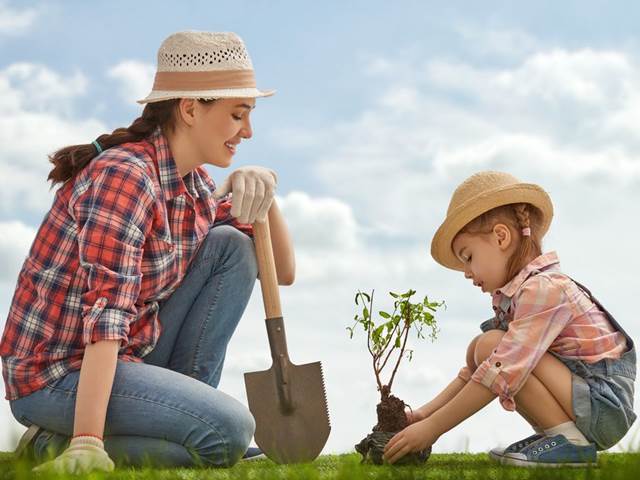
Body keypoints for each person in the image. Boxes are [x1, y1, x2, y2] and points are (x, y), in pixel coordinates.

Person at [0, 31, 295, 474]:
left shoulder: (192, 186)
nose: (247, 132)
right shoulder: (125, 176)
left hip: (125, 358)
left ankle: (188, 424)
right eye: (238, 115)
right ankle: (57, 444)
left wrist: (265, 193)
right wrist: (88, 443)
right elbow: (107, 313)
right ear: (191, 108)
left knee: (232, 247)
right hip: (57, 375)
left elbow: (283, 273)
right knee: (231, 432)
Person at [383, 171, 636, 467]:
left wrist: (433, 429)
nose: (466, 272)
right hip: (584, 399)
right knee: (482, 347)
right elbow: (475, 371)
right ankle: (558, 435)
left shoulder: (544, 289)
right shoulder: (520, 296)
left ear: (501, 237)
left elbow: (500, 370)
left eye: (468, 257)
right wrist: (425, 415)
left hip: (603, 407)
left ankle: (570, 442)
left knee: (492, 347)